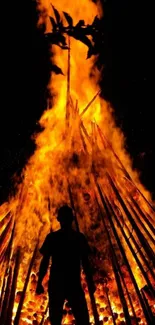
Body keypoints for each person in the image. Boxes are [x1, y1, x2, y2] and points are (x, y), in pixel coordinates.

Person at [36, 205, 95, 325]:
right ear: (72, 219)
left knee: (56, 318)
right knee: (82, 318)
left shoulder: (53, 237)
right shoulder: (78, 238)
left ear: (59, 219)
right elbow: (85, 262)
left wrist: (39, 282)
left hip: (58, 283)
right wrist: (90, 282)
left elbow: (45, 261)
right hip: (72, 283)